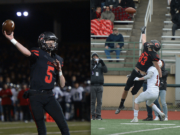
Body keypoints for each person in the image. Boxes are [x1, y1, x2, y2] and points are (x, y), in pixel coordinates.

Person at [4, 31, 70, 135]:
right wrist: (12, 39)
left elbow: (62, 84)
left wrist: (60, 71)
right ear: (42, 42)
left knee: (63, 125)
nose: (52, 43)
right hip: (35, 95)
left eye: (53, 41)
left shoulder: (58, 59)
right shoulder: (38, 52)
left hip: (49, 95)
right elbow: (26, 53)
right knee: (41, 128)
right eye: (49, 41)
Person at [115, 26, 163, 114]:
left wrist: (161, 79)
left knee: (133, 92)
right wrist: (143, 31)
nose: (150, 43)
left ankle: (132, 82)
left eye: (152, 43)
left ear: (153, 47)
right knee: (126, 88)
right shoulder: (146, 47)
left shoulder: (154, 56)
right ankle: (121, 104)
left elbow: (158, 68)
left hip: (142, 75)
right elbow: (143, 40)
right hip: (135, 71)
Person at [91, 53, 108, 120]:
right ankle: (92, 115)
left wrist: (103, 63)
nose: (95, 58)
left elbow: (106, 70)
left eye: (96, 57)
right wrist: (93, 63)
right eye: (94, 57)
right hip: (92, 85)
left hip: (100, 85)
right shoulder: (91, 64)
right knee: (92, 101)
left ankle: (98, 115)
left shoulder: (100, 64)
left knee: (99, 101)